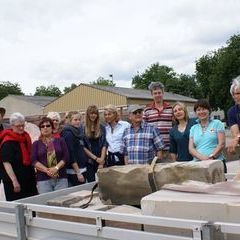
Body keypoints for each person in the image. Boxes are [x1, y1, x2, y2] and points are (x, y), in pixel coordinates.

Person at [0, 112, 38, 201]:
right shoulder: (7, 142)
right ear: (12, 126)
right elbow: (6, 163)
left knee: (32, 205)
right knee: (18, 208)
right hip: (15, 182)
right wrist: (14, 181)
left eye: (22, 125)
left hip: (28, 179)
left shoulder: (25, 137)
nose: (21, 128)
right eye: (18, 126)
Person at [31, 117, 69, 194]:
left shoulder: (60, 140)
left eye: (48, 125)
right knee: (46, 203)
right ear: (40, 129)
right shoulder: (36, 144)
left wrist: (56, 168)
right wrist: (47, 170)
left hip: (61, 178)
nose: (45, 128)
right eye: (42, 126)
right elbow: (34, 161)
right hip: (43, 180)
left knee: (62, 201)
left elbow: (66, 157)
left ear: (52, 128)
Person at [189, 99, 227, 172]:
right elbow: (191, 149)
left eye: (204, 109)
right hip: (198, 164)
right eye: (198, 110)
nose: (201, 112)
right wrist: (203, 158)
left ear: (209, 110)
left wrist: (211, 157)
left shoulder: (217, 124)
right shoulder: (193, 128)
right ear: (195, 113)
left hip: (216, 163)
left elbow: (221, 144)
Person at [143, 82, 173, 160]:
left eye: (159, 93)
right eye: (155, 93)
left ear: (163, 93)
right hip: (153, 150)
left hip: (169, 149)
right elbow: (144, 129)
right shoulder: (147, 110)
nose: (157, 95)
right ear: (152, 95)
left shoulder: (171, 109)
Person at [81, 105, 107, 182]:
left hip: (101, 160)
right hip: (89, 161)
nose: (93, 115)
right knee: (92, 183)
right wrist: (95, 158)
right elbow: (83, 147)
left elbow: (104, 144)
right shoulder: (82, 128)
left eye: (95, 113)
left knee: (103, 183)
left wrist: (102, 160)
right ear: (88, 114)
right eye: (91, 113)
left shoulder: (102, 127)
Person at [61, 111, 86, 186]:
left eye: (79, 119)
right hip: (74, 171)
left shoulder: (78, 131)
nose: (78, 122)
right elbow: (71, 154)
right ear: (69, 121)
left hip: (82, 167)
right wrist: (78, 172)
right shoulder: (68, 133)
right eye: (75, 120)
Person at [227, 76, 240, 153]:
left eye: (239, 93)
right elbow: (236, 134)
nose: (237, 96)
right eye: (237, 93)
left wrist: (237, 138)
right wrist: (236, 139)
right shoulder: (232, 112)